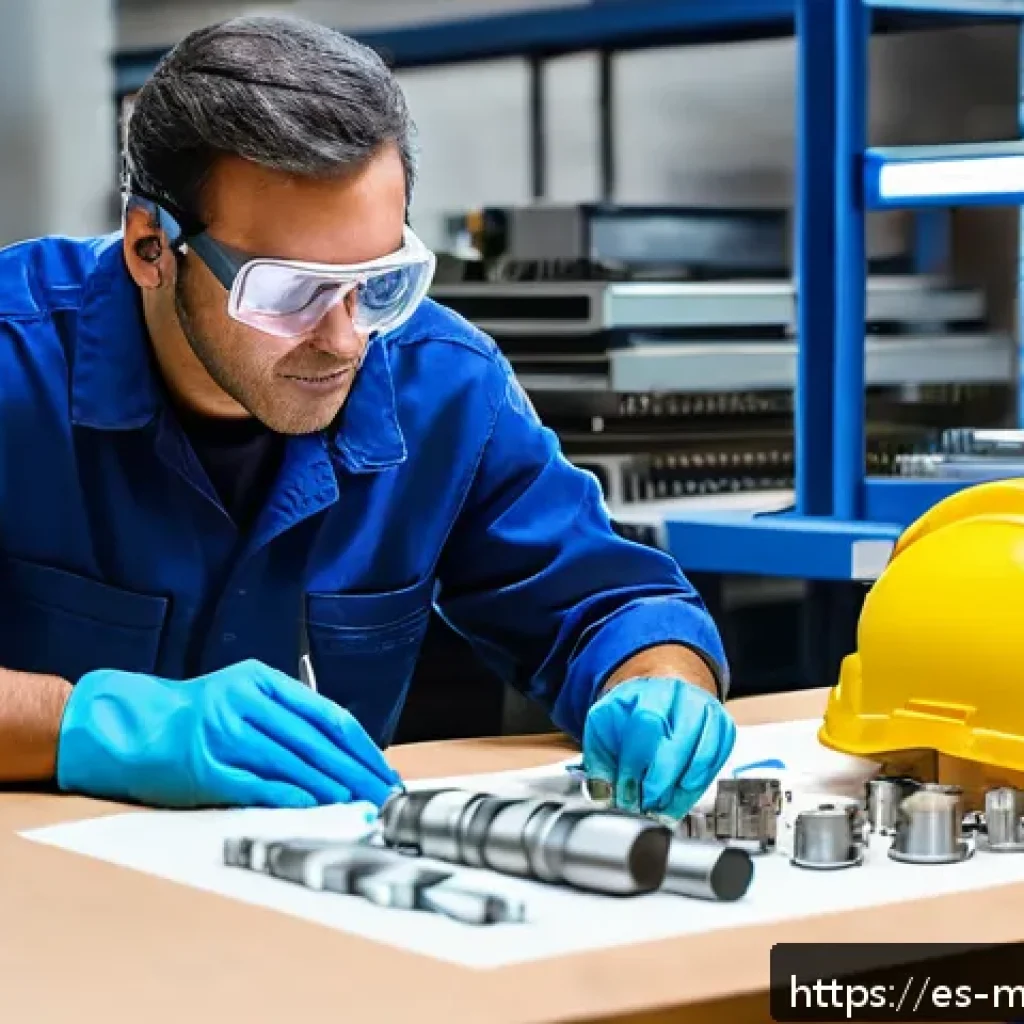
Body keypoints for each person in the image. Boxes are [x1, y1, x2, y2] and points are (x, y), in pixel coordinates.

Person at [0, 14, 736, 819]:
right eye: (287, 291)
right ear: (151, 247)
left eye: (380, 282)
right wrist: (88, 724)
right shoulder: (15, 360)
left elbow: (608, 604)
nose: (345, 338)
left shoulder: (443, 387)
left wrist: (660, 682)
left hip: (313, 903)